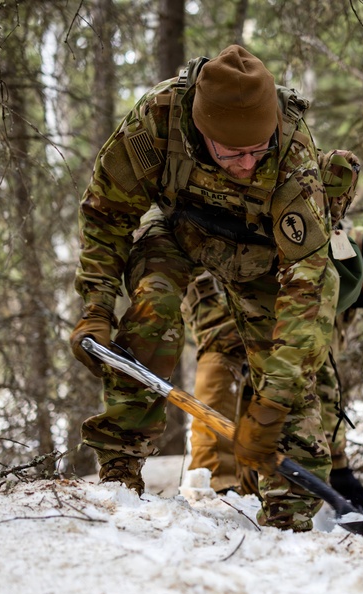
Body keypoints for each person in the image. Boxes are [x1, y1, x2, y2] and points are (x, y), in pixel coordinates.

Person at [69, 44, 338, 531]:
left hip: (263, 254)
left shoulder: (294, 150)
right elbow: (105, 215)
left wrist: (272, 401)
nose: (247, 164)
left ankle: (289, 518)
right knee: (154, 304)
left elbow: (310, 283)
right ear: (201, 130)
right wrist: (96, 307)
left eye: (258, 151)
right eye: (233, 153)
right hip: (179, 232)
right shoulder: (158, 121)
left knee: (292, 374)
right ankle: (118, 473)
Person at [184, 223, 363, 510]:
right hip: (219, 271)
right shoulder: (330, 265)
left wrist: (338, 464)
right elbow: (317, 374)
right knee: (226, 351)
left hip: (257, 287)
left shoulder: (351, 278)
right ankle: (213, 486)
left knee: (267, 381)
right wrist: (338, 466)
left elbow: (317, 369)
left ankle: (247, 489)